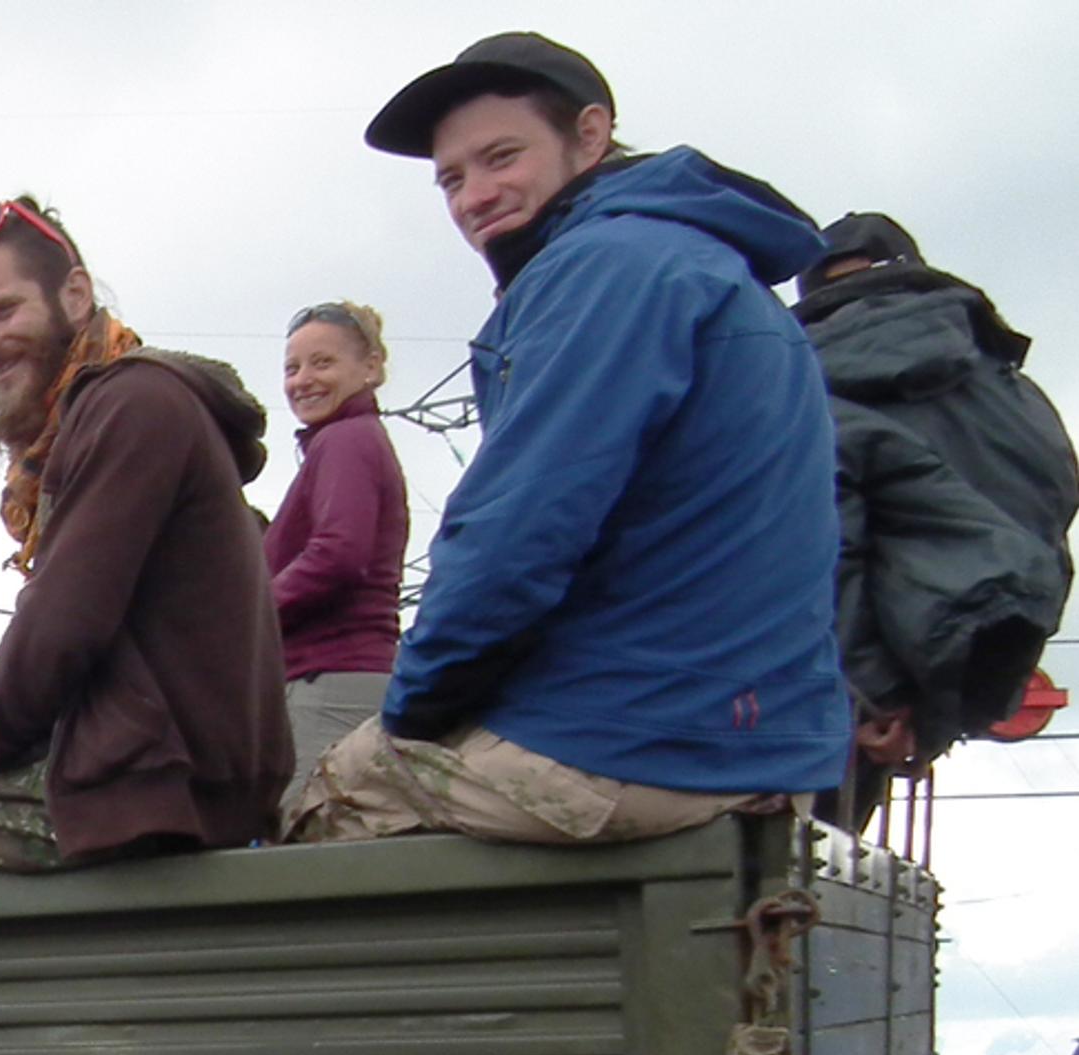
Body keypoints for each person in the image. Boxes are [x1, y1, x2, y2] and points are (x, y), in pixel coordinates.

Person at [293, 33, 848, 846]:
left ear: (588, 136)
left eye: (501, 157)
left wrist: (414, 708)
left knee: (326, 798)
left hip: (639, 736)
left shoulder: (603, 268)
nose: (474, 196)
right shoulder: (693, 260)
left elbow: (516, 529)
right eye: (452, 178)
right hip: (754, 734)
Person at [0, 197, 288, 877]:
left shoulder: (131, 404)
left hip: (156, 786)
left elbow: (61, 624)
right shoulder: (104, 415)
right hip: (163, 775)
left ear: (75, 294)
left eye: (2, 312)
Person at [792, 212, 1077, 828]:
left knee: (760, 872)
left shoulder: (805, 376)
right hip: (927, 700)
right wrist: (937, 712)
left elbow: (824, 537)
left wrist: (868, 694)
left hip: (828, 703)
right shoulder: (1021, 400)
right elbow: (1040, 542)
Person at [261, 300, 409, 781]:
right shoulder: (352, 440)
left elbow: (339, 554)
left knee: (305, 819)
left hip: (330, 680)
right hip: (342, 678)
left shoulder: (345, 440)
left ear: (371, 367)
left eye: (322, 363)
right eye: (292, 368)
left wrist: (249, 613)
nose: (303, 380)